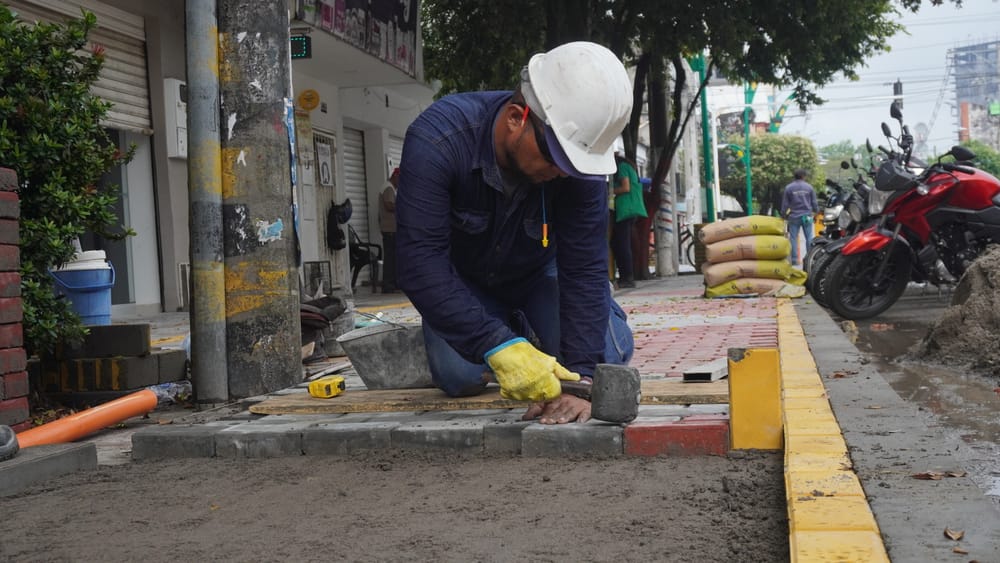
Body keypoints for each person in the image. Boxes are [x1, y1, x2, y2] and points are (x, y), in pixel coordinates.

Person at [396, 41, 635, 425]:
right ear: (516, 118)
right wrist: (498, 344)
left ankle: (542, 334)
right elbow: (419, 263)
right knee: (458, 376)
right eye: (553, 157)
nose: (561, 172)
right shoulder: (438, 141)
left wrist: (583, 382)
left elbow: (585, 269)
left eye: (571, 164)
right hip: (467, 282)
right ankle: (513, 332)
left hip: (543, 274)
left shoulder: (578, 164)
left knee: (602, 355)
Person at [611, 153, 646, 288]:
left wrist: (610, 191)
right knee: (617, 242)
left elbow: (626, 187)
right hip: (630, 208)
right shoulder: (628, 166)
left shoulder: (622, 167)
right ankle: (626, 276)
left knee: (621, 243)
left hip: (627, 208)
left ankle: (627, 278)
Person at [781, 168, 819, 266]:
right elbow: (814, 203)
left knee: (793, 238)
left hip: (794, 216)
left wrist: (783, 215)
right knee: (809, 237)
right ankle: (810, 259)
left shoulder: (789, 188)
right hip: (807, 216)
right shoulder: (809, 187)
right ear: (803, 176)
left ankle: (794, 260)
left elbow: (785, 204)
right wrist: (816, 212)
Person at [378, 167, 399, 293]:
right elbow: (389, 205)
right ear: (396, 176)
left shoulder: (390, 187)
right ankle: (388, 285)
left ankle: (393, 283)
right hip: (390, 228)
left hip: (390, 228)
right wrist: (402, 206)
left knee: (393, 257)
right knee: (390, 258)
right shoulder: (389, 188)